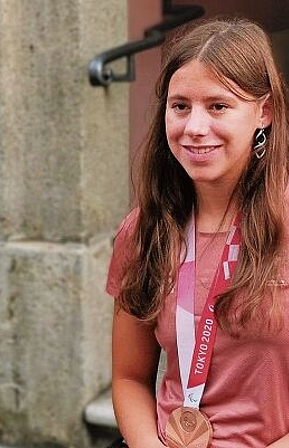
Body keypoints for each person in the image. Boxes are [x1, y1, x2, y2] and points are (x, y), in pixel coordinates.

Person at [107, 18, 289, 448]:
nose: (194, 128)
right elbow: (129, 377)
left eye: (218, 106)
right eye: (181, 105)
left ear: (264, 112)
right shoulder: (143, 229)